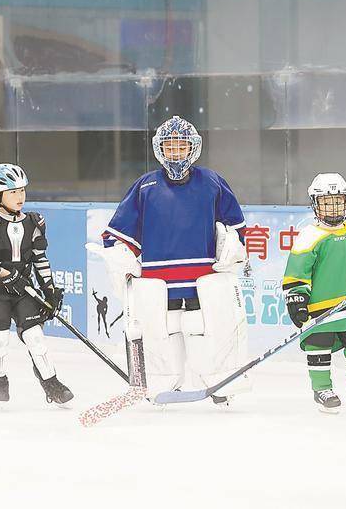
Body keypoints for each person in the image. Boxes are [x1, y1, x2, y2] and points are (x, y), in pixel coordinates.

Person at [98, 116, 249, 405]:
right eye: (170, 147)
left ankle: (218, 382)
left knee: (202, 327)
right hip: (159, 280)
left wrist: (232, 247)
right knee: (164, 330)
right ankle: (163, 383)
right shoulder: (146, 186)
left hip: (203, 278)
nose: (175, 153)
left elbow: (235, 226)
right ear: (160, 149)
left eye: (181, 147)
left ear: (192, 149)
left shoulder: (212, 182)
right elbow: (118, 232)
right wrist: (120, 256)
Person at [0, 163, 73, 407]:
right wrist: (6, 275)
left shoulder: (34, 223)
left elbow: (40, 259)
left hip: (23, 290)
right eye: (13, 192)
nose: (20, 197)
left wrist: (50, 291)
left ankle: (51, 383)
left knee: (36, 336)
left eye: (22, 191)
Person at [282, 173, 346, 413]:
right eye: (326, 202)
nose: (333, 207)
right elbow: (296, 275)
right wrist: (297, 299)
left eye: (338, 201)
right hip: (319, 309)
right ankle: (322, 389)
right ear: (315, 204)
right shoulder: (309, 236)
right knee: (319, 347)